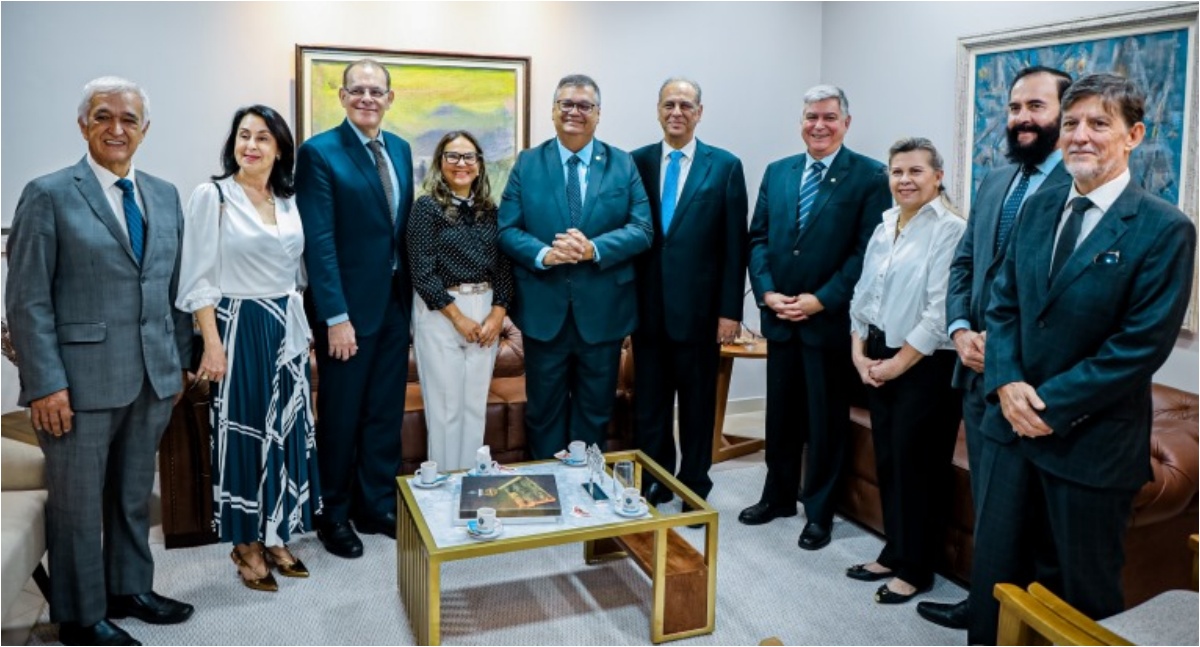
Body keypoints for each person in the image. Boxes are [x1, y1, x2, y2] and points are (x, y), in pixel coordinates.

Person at [968, 73, 1196, 644]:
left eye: (1099, 124)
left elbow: (1138, 347)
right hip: (1008, 437)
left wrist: (1043, 403)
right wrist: (1007, 383)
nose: (1080, 136)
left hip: (1089, 448)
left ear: (1134, 135)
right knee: (994, 586)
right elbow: (1003, 305)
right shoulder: (1039, 207)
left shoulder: (1164, 228)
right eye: (1071, 123)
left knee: (1077, 603)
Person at [5, 76, 194, 646]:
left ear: (145, 129)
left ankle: (129, 588)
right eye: (103, 117)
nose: (117, 128)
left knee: (134, 495)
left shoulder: (163, 194)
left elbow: (175, 289)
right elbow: (27, 299)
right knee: (78, 506)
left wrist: (180, 364)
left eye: (129, 119)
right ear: (84, 125)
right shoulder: (49, 193)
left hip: (151, 377)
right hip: (76, 386)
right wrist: (44, 385)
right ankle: (81, 617)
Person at [918, 65, 1072, 630]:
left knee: (1028, 518)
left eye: (1036, 106)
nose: (1022, 119)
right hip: (976, 374)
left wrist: (1002, 348)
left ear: (1064, 112)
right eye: (1013, 108)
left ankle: (1016, 621)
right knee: (991, 507)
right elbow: (965, 265)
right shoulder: (994, 179)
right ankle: (983, 604)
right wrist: (959, 328)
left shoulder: (1076, 187)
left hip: (1032, 382)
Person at [176, 105, 319, 592]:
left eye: (263, 137)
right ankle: (245, 544)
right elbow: (197, 276)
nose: (251, 146)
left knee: (287, 432)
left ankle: (277, 533)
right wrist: (211, 344)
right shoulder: (212, 196)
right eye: (243, 136)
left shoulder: (288, 198)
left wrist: (303, 334)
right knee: (244, 436)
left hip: (288, 329)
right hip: (239, 326)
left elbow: (295, 273)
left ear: (280, 148)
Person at [742, 85, 891, 552]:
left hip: (827, 323)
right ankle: (778, 496)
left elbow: (864, 252)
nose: (819, 125)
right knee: (780, 417)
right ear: (801, 121)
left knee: (824, 422)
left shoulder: (869, 176)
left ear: (846, 122)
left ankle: (819, 511)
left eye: (829, 117)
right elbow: (758, 239)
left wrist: (819, 300)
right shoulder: (778, 172)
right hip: (781, 318)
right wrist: (767, 292)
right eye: (811, 117)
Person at [497, 74, 653, 459]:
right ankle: (546, 498)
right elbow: (507, 229)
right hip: (542, 313)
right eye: (566, 103)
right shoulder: (528, 163)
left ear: (598, 114)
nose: (574, 112)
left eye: (584, 105)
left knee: (595, 412)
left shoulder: (623, 163)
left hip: (604, 315)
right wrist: (544, 254)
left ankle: (587, 497)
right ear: (553, 111)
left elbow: (642, 229)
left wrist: (593, 249)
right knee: (543, 413)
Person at [296, 58, 414, 557]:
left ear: (390, 99)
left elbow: (400, 231)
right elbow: (319, 243)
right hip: (346, 314)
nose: (367, 98)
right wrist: (335, 317)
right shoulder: (320, 152)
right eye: (358, 90)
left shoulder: (402, 150)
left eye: (376, 91)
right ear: (342, 97)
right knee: (341, 415)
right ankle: (334, 512)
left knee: (385, 411)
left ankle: (376, 504)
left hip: (393, 305)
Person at [846, 138, 965, 604]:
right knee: (891, 460)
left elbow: (939, 312)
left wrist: (895, 365)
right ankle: (895, 551)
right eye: (897, 172)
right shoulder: (886, 224)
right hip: (878, 353)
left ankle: (917, 568)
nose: (905, 180)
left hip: (925, 364)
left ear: (937, 176)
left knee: (921, 468)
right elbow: (864, 293)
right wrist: (859, 353)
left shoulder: (951, 230)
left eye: (916, 171)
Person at [630, 77, 748, 508]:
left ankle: (695, 484)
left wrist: (729, 312)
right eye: (668, 104)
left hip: (701, 314)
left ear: (699, 112)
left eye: (685, 105)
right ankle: (656, 478)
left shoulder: (725, 166)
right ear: (658, 110)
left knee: (697, 406)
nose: (676, 112)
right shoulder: (636, 162)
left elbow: (735, 245)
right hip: (646, 309)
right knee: (650, 405)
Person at [407, 131, 514, 471]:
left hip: (484, 309)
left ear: (479, 165)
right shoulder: (426, 208)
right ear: (441, 163)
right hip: (441, 312)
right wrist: (459, 319)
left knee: (473, 406)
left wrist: (497, 315)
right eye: (453, 156)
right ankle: (443, 489)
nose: (461, 164)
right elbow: (421, 271)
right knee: (445, 409)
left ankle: (471, 484)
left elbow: (504, 267)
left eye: (469, 157)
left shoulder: (490, 211)